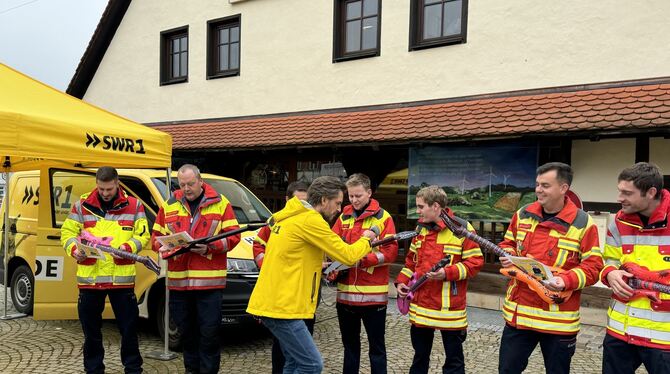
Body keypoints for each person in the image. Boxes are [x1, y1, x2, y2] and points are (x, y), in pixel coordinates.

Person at [247, 176, 379, 374]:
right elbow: (349, 255)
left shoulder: (293, 216)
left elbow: (293, 257)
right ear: (324, 200)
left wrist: (320, 265)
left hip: (277, 303)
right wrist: (367, 239)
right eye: (337, 202)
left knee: (292, 362)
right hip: (283, 307)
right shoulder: (311, 221)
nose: (340, 209)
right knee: (311, 364)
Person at [497, 162, 603, 374]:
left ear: (563, 188)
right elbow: (507, 244)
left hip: (558, 323)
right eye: (537, 184)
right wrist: (505, 255)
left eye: (545, 185)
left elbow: (593, 267)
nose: (538, 190)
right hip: (520, 319)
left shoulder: (583, 223)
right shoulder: (523, 214)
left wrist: (566, 281)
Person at [151, 164, 241, 374]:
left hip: (209, 286)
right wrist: (166, 246)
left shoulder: (221, 203)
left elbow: (234, 236)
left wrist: (210, 247)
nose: (187, 188)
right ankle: (191, 370)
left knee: (209, 335)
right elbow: (155, 237)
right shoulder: (169, 205)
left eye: (191, 184)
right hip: (179, 284)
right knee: (186, 334)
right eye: (182, 184)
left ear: (200, 181)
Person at [61, 166, 148, 374]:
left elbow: (143, 235)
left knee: (128, 330)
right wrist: (75, 250)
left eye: (109, 189)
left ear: (117, 183)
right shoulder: (81, 205)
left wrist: (127, 249)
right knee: (91, 332)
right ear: (97, 185)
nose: (105, 193)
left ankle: (133, 369)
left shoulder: (135, 206)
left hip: (122, 280)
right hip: (90, 279)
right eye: (101, 189)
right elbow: (67, 233)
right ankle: (93, 370)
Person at [395, 185, 483, 374]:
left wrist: (447, 273)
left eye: (420, 207)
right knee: (419, 358)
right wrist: (401, 282)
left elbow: (475, 263)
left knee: (454, 361)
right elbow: (411, 262)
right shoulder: (421, 228)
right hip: (421, 308)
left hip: (449, 310)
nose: (417, 211)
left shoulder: (462, 228)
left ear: (435, 206)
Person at [600, 162, 670, 374]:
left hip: (664, 338)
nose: (619, 198)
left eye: (627, 193)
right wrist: (610, 273)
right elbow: (608, 259)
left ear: (650, 192)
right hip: (620, 332)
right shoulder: (618, 221)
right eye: (619, 191)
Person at [331, 173, 398, 374]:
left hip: (373, 299)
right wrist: (332, 268)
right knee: (350, 348)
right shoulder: (343, 216)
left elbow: (391, 252)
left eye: (358, 195)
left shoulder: (384, 217)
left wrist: (363, 259)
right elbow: (332, 245)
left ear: (369, 192)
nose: (354, 200)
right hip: (345, 298)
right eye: (350, 196)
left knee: (376, 349)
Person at [252, 180, 313, 374]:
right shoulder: (276, 220)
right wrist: (269, 267)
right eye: (297, 202)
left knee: (303, 346)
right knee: (282, 345)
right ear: (287, 200)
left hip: (304, 294)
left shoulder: (313, 221)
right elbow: (258, 245)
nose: (301, 207)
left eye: (306, 202)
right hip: (282, 294)